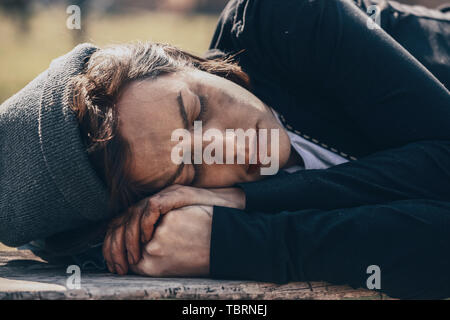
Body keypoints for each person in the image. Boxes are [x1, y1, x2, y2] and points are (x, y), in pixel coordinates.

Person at [0, 0, 449, 299]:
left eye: (196, 111)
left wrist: (245, 214)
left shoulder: (283, 20)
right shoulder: (176, 220)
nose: (230, 147)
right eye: (191, 172)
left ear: (186, 62)